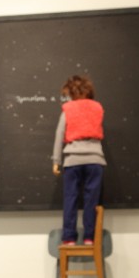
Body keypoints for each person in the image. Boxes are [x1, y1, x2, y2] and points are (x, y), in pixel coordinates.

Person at [52, 74, 107, 245]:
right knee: (92, 200)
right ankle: (90, 237)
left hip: (73, 160)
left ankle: (69, 238)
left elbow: (60, 134)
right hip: (95, 160)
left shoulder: (68, 109)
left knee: (71, 199)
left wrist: (56, 160)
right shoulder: (97, 107)